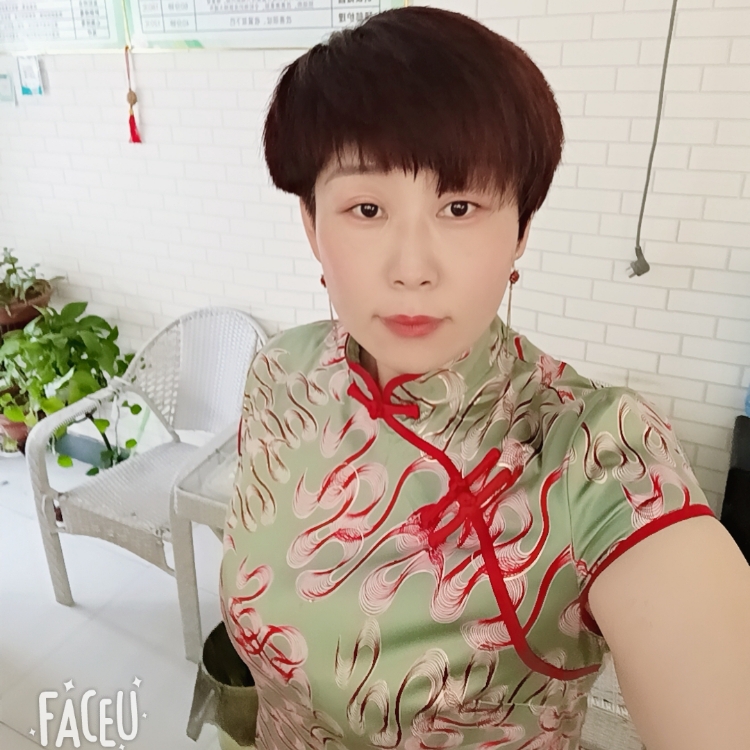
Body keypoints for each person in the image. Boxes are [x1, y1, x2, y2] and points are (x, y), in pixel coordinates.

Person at [219, 7, 750, 749]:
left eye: (460, 206)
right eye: (366, 208)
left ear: (521, 230)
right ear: (312, 225)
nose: (412, 268)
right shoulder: (281, 374)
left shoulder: (590, 457)